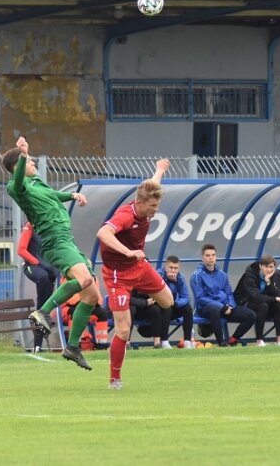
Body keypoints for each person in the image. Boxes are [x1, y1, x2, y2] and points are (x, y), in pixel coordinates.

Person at [2, 136, 96, 370]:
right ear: (18, 166)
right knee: (83, 279)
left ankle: (73, 347)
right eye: (30, 162)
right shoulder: (17, 186)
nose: (33, 164)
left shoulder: (38, 183)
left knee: (92, 294)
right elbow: (18, 182)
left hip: (67, 239)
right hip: (55, 240)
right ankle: (43, 312)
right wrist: (23, 155)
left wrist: (72, 195)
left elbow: (54, 195)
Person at [96, 159, 174, 390]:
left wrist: (160, 170)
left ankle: (150, 328)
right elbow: (103, 233)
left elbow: (151, 185)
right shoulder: (126, 216)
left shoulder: (145, 201)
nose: (155, 210)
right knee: (122, 328)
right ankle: (115, 379)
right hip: (118, 274)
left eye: (156, 205)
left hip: (139, 267)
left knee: (167, 301)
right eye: (152, 207)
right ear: (139, 203)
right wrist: (128, 251)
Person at [191, 244, 255, 347]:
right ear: (203, 258)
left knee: (251, 315)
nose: (211, 258)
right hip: (205, 308)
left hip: (225, 307)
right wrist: (222, 307)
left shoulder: (223, 275)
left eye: (213, 255)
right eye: (208, 255)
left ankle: (233, 339)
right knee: (214, 310)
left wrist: (230, 305)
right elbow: (200, 298)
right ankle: (221, 343)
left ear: (216, 257)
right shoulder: (196, 275)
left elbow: (229, 293)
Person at [17, 221, 60, 352]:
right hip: (32, 266)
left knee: (44, 306)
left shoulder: (52, 226)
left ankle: (38, 345)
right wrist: (37, 262)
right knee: (42, 278)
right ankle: (40, 316)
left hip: (48, 269)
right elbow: (21, 250)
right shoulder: (30, 225)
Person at [234, 255, 280, 346]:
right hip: (246, 302)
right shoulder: (249, 275)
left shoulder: (274, 275)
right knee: (263, 305)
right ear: (260, 266)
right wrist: (275, 298)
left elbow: (278, 294)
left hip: (264, 303)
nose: (268, 270)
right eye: (266, 266)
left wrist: (268, 282)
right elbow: (256, 296)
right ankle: (259, 340)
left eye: (271, 267)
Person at [156, 256, 194, 349]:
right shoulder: (158, 275)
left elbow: (185, 297)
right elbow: (157, 293)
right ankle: (164, 341)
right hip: (159, 307)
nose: (173, 270)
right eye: (171, 267)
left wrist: (176, 303)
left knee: (188, 309)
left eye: (176, 268)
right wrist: (167, 281)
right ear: (165, 267)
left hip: (173, 305)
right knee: (167, 308)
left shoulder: (180, 277)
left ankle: (187, 341)